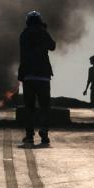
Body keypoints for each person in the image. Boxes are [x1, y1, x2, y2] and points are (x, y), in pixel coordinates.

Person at [18, 10, 56, 147]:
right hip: (43, 76)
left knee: (29, 107)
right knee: (45, 106)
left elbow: (22, 54)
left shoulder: (24, 34)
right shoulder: (43, 32)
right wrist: (44, 30)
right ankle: (44, 133)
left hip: (28, 76)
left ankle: (29, 136)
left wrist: (21, 73)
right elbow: (53, 46)